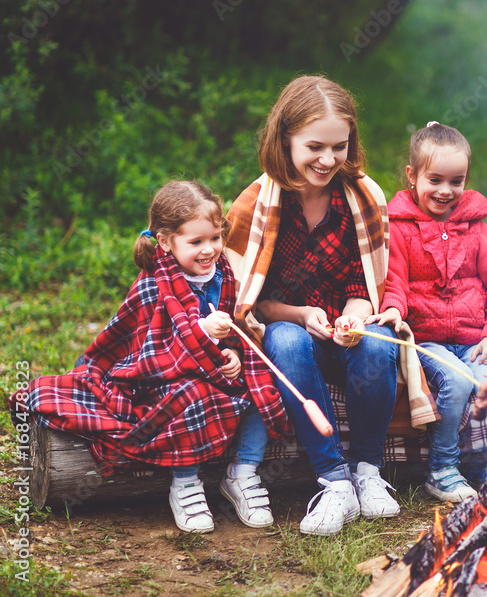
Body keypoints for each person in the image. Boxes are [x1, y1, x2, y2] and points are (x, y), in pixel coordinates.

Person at [25, 181, 291, 534]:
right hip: (163, 377)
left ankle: (243, 471)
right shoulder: (154, 283)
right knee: (189, 395)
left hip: (215, 369)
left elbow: (238, 328)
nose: (208, 250)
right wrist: (201, 333)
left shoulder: (225, 274)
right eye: (195, 242)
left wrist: (232, 352)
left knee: (262, 384)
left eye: (214, 238)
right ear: (166, 242)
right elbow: (149, 350)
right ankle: (184, 481)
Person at [225, 75, 411, 536]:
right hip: (290, 338)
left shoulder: (362, 197)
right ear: (284, 139)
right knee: (286, 340)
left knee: (378, 342)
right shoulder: (257, 204)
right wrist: (302, 316)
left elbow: (365, 279)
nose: (328, 160)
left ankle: (368, 471)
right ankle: (334, 482)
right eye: (314, 147)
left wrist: (353, 315)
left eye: (340, 146)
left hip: (343, 335)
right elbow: (250, 302)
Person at [369, 122, 487, 502]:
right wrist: (394, 310)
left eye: (456, 181)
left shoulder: (476, 229)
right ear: (412, 176)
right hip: (427, 340)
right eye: (435, 179)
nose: (446, 191)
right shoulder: (399, 229)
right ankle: (442, 469)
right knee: (459, 382)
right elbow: (393, 283)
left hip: (471, 338)